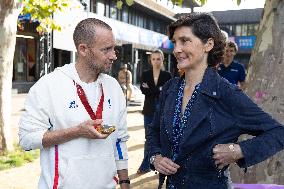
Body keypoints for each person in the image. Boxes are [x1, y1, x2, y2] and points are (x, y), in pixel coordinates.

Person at [147, 12, 284, 189]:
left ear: (208, 44)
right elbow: (154, 131)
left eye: (185, 41)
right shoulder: (170, 88)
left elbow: (278, 133)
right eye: (175, 42)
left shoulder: (226, 93)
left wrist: (238, 151)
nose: (176, 49)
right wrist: (155, 158)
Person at [19, 18, 130, 189]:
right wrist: (76, 132)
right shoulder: (49, 85)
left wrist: (124, 181)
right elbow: (27, 140)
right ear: (83, 49)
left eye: (113, 48)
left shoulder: (114, 87)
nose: (113, 55)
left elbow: (120, 140)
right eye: (106, 49)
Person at [137, 49, 172, 174]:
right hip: (149, 110)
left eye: (158, 59)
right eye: (153, 59)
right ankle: (146, 164)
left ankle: (163, 165)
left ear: (162, 60)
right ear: (150, 60)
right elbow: (143, 90)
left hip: (163, 112)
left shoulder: (167, 76)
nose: (156, 61)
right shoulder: (145, 74)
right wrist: (159, 90)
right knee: (149, 138)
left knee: (163, 138)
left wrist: (152, 89)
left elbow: (167, 93)